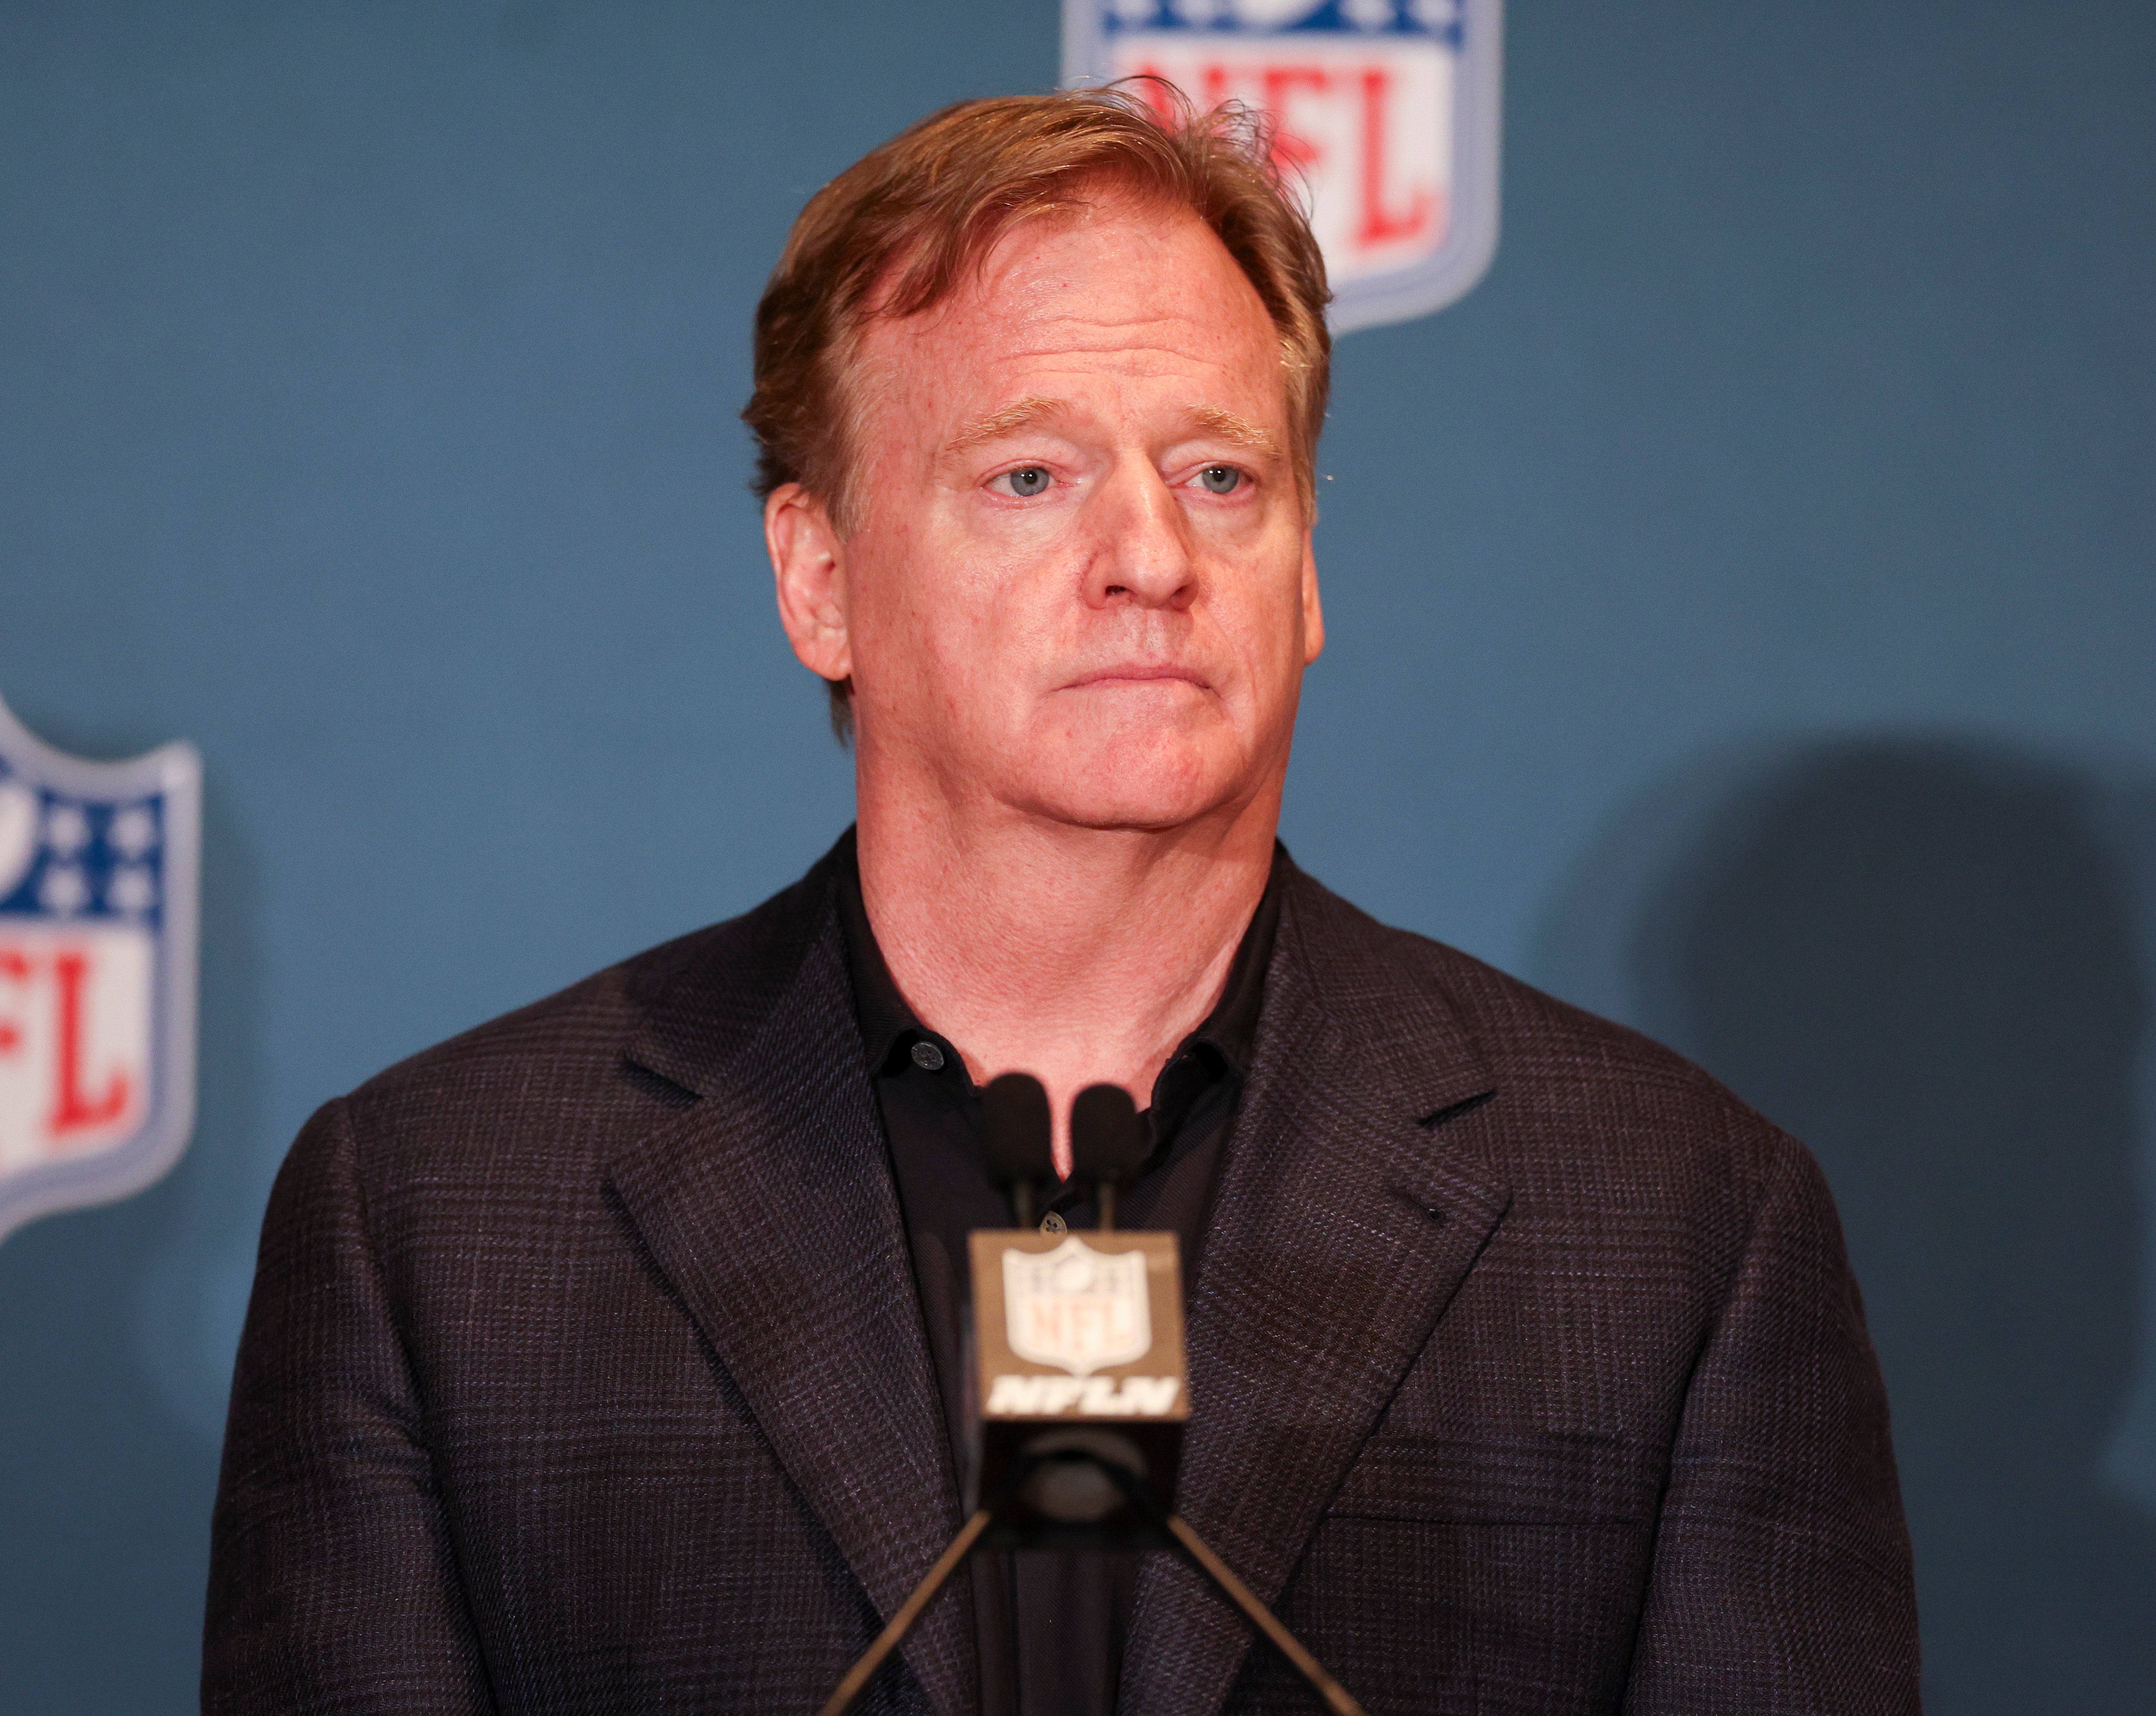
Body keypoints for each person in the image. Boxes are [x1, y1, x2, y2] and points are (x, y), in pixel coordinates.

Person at [203, 88, 1917, 1715]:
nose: (1150, 555)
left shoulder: (1675, 1223)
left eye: (1218, 476)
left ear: (1305, 565)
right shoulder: (437, 1221)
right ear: (818, 580)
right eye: (1028, 476)